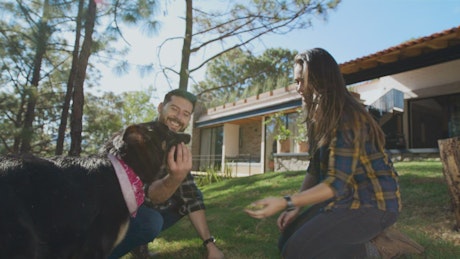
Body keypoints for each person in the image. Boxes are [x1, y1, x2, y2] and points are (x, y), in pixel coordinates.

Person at [245, 48, 401, 258]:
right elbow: (316, 167)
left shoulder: (347, 116)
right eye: (296, 81)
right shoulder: (320, 116)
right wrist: (296, 208)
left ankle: (377, 251)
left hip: (373, 205)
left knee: (297, 251)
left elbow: (335, 184)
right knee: (286, 241)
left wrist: (286, 202)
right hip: (344, 200)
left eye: (301, 81)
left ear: (319, 79)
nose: (298, 88)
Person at [109, 89, 224, 259]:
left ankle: (138, 245)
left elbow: (191, 197)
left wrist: (210, 245)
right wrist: (174, 179)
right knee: (151, 221)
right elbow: (143, 195)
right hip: (110, 211)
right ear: (161, 107)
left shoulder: (175, 144)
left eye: (185, 114)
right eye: (174, 109)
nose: (178, 117)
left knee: (191, 195)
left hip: (140, 206)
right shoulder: (138, 137)